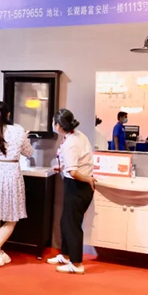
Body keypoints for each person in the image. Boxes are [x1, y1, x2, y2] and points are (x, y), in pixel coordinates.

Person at [0, 101, 34, 268]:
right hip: (11, 173)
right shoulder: (18, 130)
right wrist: (25, 137)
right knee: (12, 217)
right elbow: (29, 152)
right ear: (8, 114)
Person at [49, 109, 96, 275]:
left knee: (72, 225)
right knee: (66, 222)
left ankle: (76, 263)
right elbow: (75, 163)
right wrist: (62, 167)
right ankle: (66, 255)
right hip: (74, 184)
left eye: (54, 123)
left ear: (59, 125)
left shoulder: (71, 143)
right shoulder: (77, 136)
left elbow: (75, 172)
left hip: (78, 186)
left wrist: (88, 179)